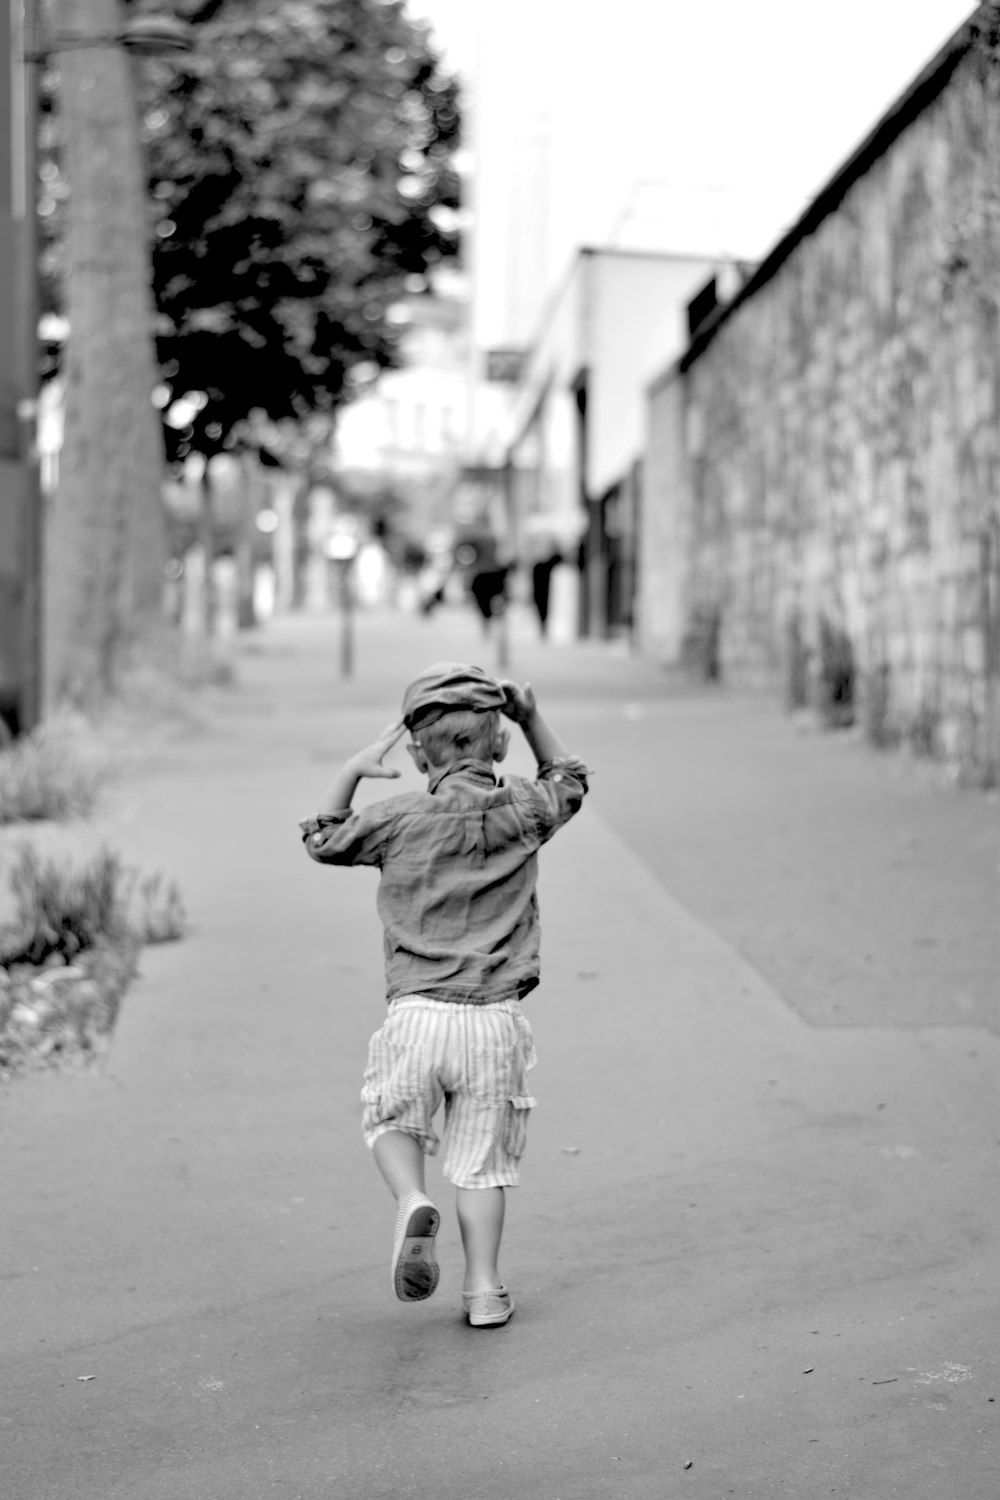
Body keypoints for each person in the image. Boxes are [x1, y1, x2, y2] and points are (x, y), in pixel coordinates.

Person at [299, 662, 589, 1327]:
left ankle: (408, 1198)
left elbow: (323, 841)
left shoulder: (397, 817)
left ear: (412, 753)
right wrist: (530, 715)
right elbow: (569, 782)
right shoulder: (522, 808)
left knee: (391, 1124)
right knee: (482, 1168)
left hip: (415, 1015)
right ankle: (484, 1289)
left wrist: (350, 770)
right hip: (492, 1020)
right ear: (501, 744)